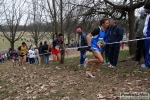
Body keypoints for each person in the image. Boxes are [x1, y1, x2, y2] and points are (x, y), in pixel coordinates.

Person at [141, 2, 150, 68]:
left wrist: (148, 34)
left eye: (145, 8)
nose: (144, 9)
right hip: (146, 36)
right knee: (146, 49)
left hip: (148, 36)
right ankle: (146, 62)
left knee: (148, 50)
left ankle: (148, 64)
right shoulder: (148, 15)